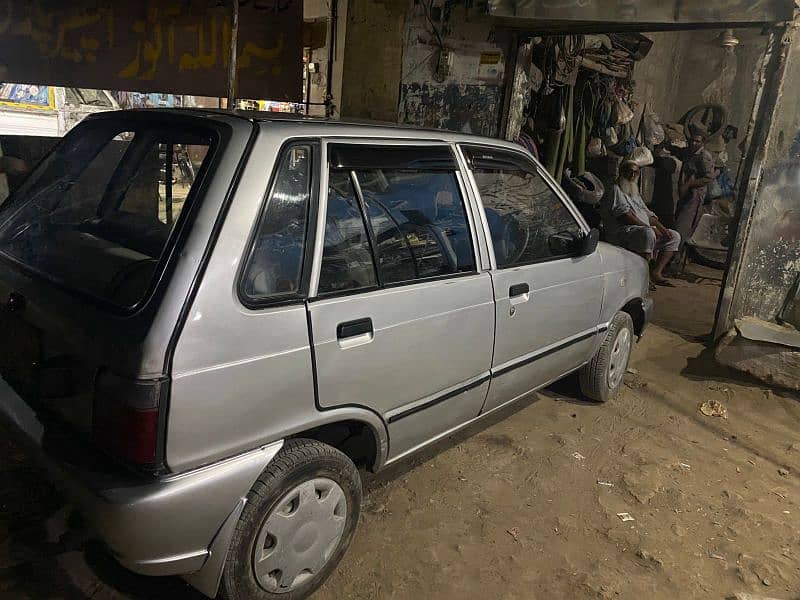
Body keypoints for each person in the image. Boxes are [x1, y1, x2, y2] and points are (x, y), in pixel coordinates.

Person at [611, 161, 681, 287]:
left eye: (636, 172)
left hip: (643, 230)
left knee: (674, 236)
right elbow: (625, 215)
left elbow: (649, 215)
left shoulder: (634, 191)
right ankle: (644, 277)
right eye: (630, 171)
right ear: (622, 172)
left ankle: (656, 272)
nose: (633, 175)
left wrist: (662, 229)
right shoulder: (616, 189)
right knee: (648, 233)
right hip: (627, 231)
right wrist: (649, 228)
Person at [674, 126, 714, 245]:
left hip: (695, 194)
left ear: (703, 142)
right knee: (679, 217)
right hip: (686, 191)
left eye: (697, 141)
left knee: (683, 224)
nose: (694, 143)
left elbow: (708, 177)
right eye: (692, 140)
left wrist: (690, 183)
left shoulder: (704, 156)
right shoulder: (689, 152)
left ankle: (676, 253)